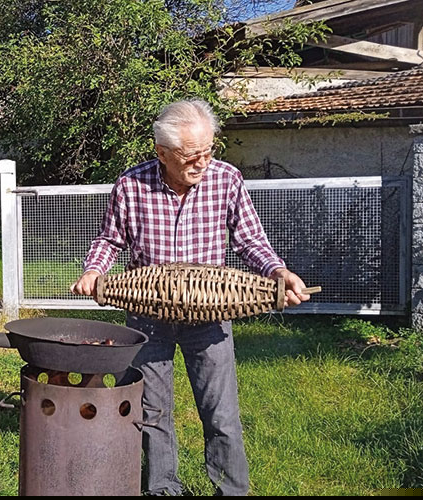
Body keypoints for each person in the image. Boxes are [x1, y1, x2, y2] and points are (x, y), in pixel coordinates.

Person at [71, 99, 312, 496]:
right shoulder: (131, 185)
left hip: (210, 316)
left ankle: (231, 489)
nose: (202, 162)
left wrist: (277, 271)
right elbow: (110, 238)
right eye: (190, 155)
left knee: (221, 412)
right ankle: (163, 488)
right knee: (151, 410)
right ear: (161, 153)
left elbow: (250, 239)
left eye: (208, 150)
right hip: (147, 314)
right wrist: (95, 269)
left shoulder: (227, 179)